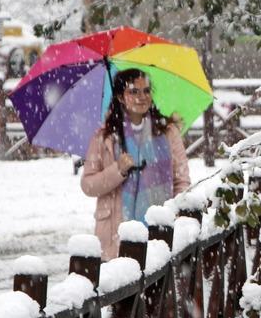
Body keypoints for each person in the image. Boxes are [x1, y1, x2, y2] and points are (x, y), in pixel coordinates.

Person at [81, 68, 191, 259]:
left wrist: (177, 215)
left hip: (160, 230)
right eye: (133, 91)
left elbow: (182, 180)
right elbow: (88, 185)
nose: (142, 97)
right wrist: (118, 170)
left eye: (146, 91)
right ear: (120, 97)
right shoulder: (104, 138)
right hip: (116, 236)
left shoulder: (167, 132)